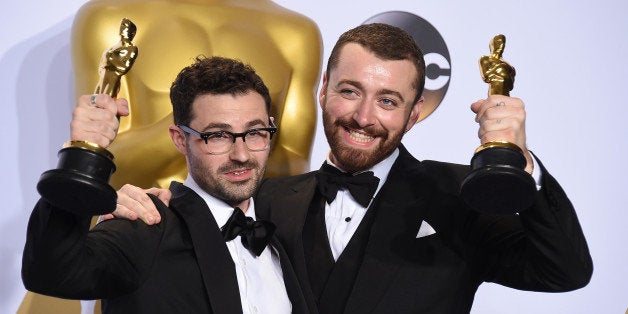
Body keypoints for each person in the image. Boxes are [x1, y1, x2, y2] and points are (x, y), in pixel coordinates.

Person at [115, 24, 593, 313]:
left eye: (388, 101)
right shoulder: (265, 198)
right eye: (349, 91)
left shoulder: (457, 196)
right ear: (323, 89)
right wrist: (141, 204)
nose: (364, 117)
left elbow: (564, 269)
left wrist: (520, 165)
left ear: (414, 114)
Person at [21, 56, 308, 314]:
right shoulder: (145, 224)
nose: (242, 155)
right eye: (218, 135)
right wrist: (83, 156)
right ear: (180, 139)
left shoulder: (287, 224)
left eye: (255, 132)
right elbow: (51, 273)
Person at [71, 0, 322, 190]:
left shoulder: (294, 32)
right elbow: (100, 164)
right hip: (144, 239)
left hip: (247, 243)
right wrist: (206, 122)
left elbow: (293, 174)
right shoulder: (110, 18)